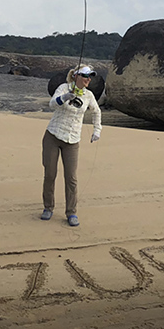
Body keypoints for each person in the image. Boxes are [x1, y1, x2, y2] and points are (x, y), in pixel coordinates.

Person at [41, 64, 101, 227]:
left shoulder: (88, 95)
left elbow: (96, 111)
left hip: (72, 140)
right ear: (76, 76)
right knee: (50, 174)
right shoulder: (63, 88)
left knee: (71, 178)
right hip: (53, 136)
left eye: (90, 77)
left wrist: (97, 130)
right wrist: (66, 96)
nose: (88, 79)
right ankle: (48, 207)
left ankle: (71, 212)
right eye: (85, 76)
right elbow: (52, 104)